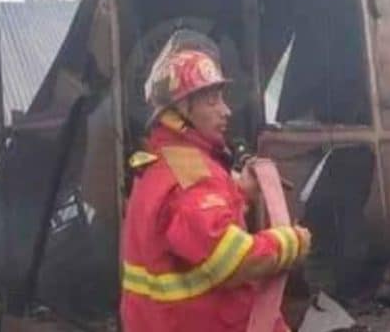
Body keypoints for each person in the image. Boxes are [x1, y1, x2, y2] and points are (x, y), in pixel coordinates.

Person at [120, 30, 312, 332]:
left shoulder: (166, 161)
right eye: (212, 101)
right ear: (181, 110)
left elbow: (194, 226)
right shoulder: (190, 175)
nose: (226, 111)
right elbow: (231, 260)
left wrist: (238, 191)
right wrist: (291, 242)